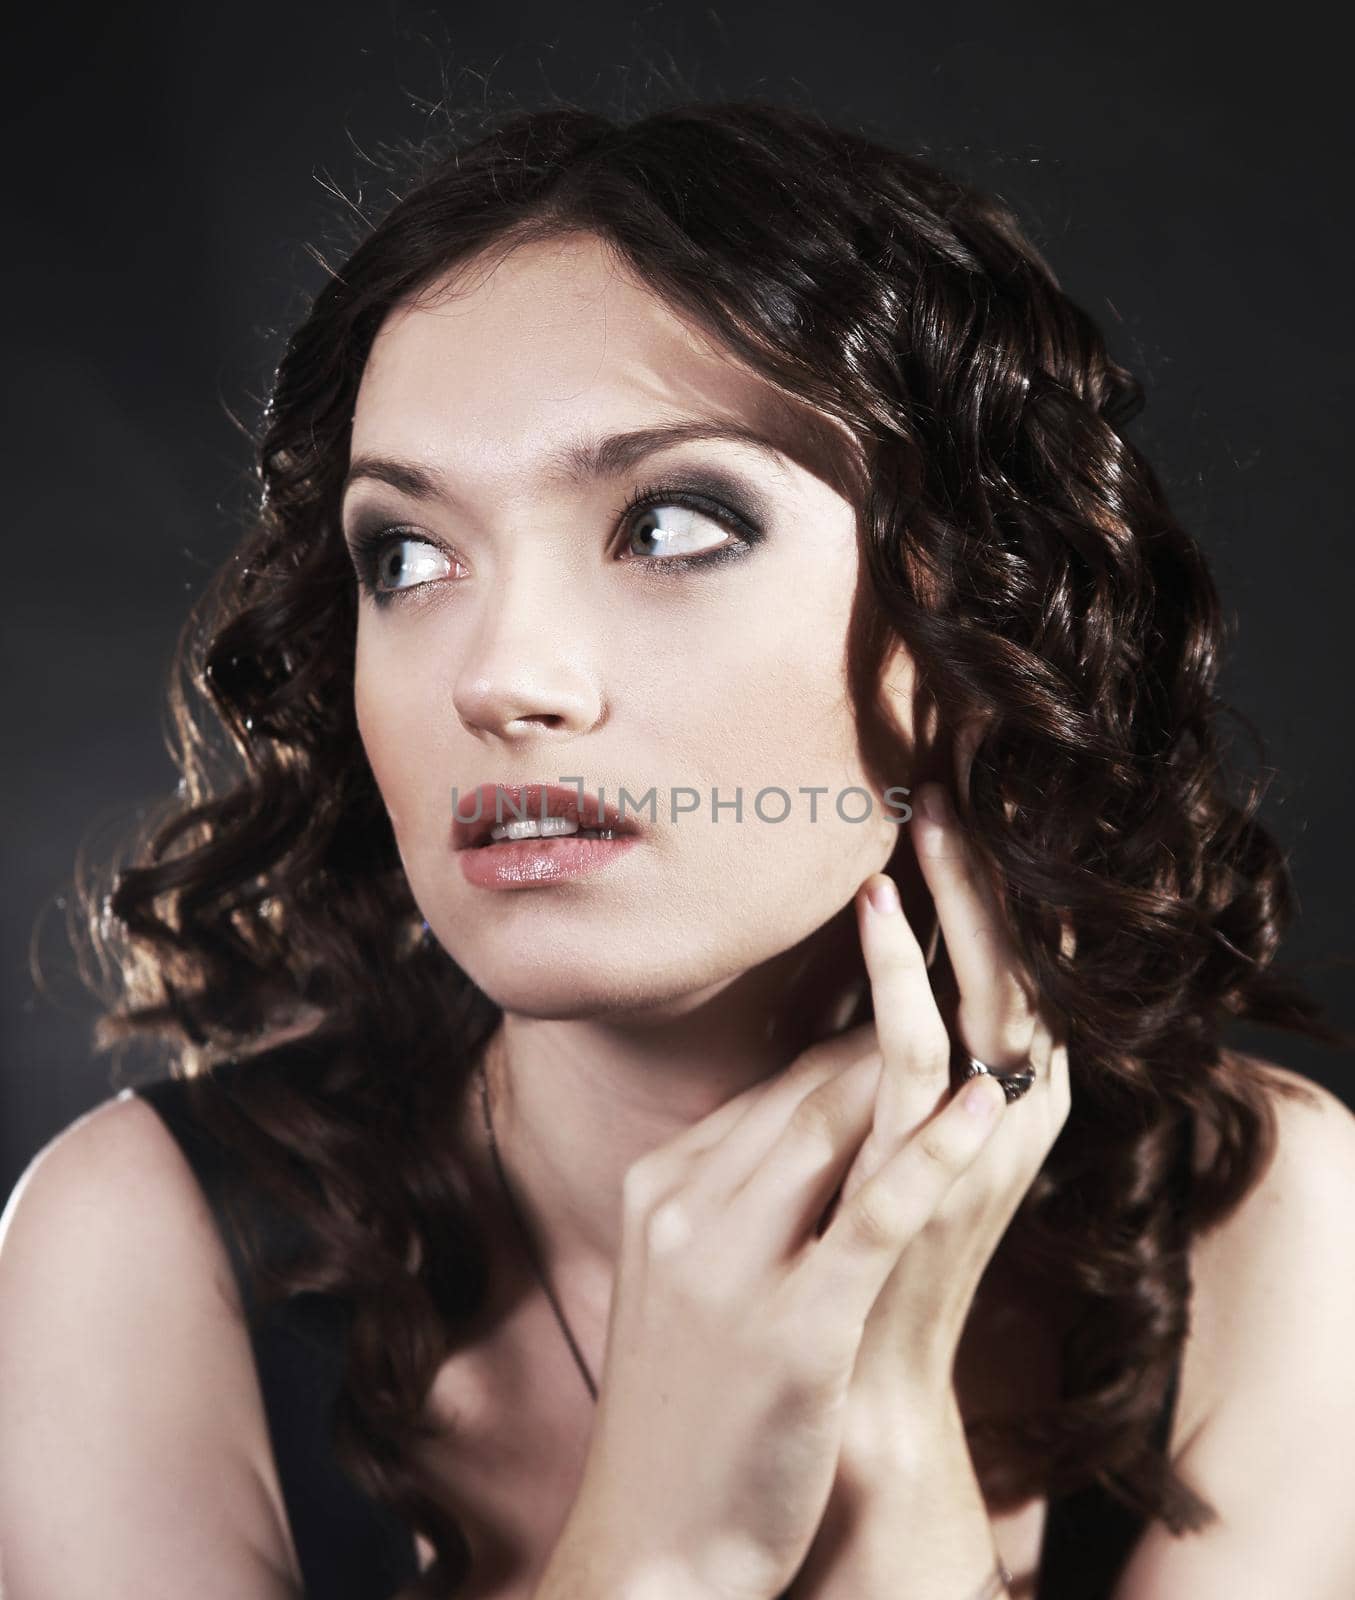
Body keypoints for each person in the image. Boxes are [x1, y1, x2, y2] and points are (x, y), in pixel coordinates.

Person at [2, 98, 1353, 1600]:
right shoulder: (141, 1254)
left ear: (968, 615)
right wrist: (657, 1551)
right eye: (408, 555)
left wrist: (890, 1471)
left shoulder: (1267, 1219)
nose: (498, 677)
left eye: (671, 524)